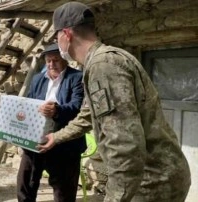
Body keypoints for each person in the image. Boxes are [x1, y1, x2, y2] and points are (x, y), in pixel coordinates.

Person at [38, 2, 191, 202]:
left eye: (56, 36)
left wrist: (115, 198)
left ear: (66, 34)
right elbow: (87, 115)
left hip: (151, 182)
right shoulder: (100, 62)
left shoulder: (104, 66)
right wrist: (56, 138)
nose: (57, 42)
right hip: (150, 177)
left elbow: (124, 145)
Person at [17, 43, 86, 202]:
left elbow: (78, 106)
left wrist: (57, 110)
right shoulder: (37, 79)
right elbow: (28, 103)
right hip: (37, 138)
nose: (51, 64)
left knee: (63, 190)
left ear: (65, 60)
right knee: (26, 182)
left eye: (55, 60)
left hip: (64, 141)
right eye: (48, 60)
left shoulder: (76, 78)